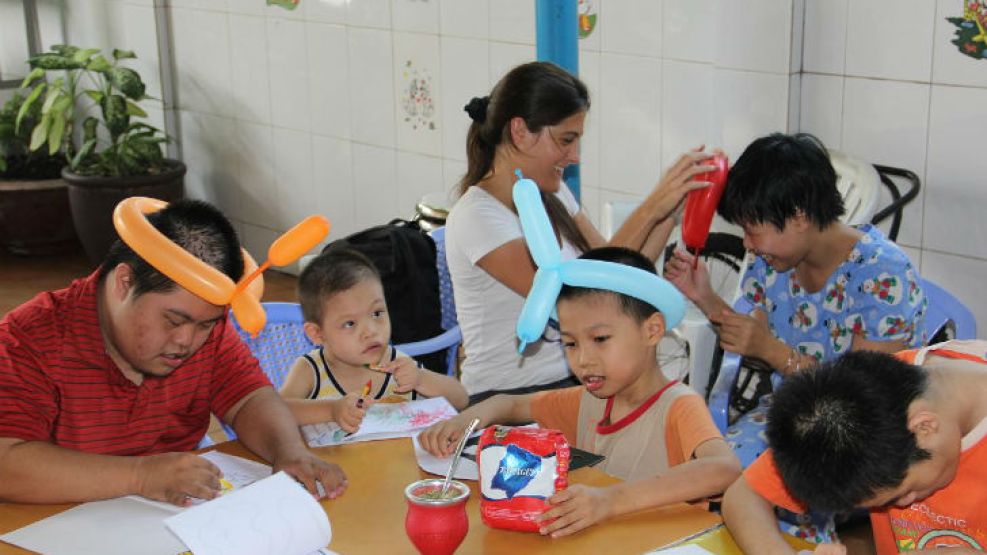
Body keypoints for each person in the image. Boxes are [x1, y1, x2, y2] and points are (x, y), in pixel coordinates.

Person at [0, 200, 346, 506]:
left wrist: (289, 451)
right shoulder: (29, 339)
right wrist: (141, 476)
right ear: (124, 283)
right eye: (173, 320)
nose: (187, 341)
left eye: (205, 325)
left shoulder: (206, 328)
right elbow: (6, 464)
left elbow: (248, 397)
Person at [420, 246, 740, 538]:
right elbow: (512, 404)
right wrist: (467, 420)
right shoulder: (589, 401)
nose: (583, 360)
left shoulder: (679, 405)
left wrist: (610, 501)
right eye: (571, 344)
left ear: (652, 330)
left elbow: (724, 468)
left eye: (600, 339)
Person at [448, 60, 717, 403]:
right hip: (506, 397)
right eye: (566, 139)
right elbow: (584, 301)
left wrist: (668, 215)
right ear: (519, 132)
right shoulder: (478, 217)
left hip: (572, 382)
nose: (574, 156)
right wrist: (651, 206)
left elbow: (620, 276)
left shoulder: (555, 192)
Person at [665, 133, 927, 460]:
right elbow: (755, 346)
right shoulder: (771, 263)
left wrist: (772, 351)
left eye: (752, 230)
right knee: (714, 471)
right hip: (789, 415)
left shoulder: (883, 276)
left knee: (760, 495)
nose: (746, 244)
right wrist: (706, 298)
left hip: (858, 438)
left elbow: (858, 401)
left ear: (799, 216)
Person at [724, 341, 987, 555]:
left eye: (901, 494)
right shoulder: (862, 401)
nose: (905, 504)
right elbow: (744, 496)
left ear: (924, 428)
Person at [279, 248, 468, 429]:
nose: (370, 331)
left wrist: (420, 379)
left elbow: (461, 399)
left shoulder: (397, 364)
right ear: (317, 334)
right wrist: (332, 410)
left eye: (377, 313)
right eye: (350, 324)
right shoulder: (311, 370)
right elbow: (277, 412)